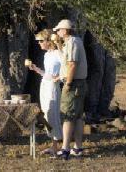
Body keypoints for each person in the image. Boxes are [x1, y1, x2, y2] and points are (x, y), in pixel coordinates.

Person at [53, 18, 88, 159]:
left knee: (67, 115)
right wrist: (58, 45)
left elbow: (72, 64)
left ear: (65, 30)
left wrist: (68, 83)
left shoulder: (73, 42)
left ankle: (65, 148)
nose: (57, 32)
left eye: (58, 30)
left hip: (73, 84)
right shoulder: (72, 42)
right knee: (77, 116)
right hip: (78, 83)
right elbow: (65, 60)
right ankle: (77, 148)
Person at [25, 29, 62, 156]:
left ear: (48, 41)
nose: (39, 43)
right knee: (46, 113)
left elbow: (66, 67)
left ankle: (58, 145)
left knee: (53, 113)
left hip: (52, 85)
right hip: (45, 84)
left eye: (41, 41)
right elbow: (47, 74)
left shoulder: (58, 53)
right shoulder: (47, 55)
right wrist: (36, 69)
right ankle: (54, 145)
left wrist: (59, 78)